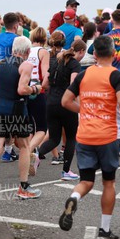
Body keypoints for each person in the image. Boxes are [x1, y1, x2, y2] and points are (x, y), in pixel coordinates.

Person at [59, 35, 120, 239]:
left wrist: (85, 110)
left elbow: (66, 101)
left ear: (95, 54)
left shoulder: (84, 74)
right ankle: (104, 230)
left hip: (85, 135)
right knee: (109, 182)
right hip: (107, 136)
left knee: (86, 181)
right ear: (114, 53)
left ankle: (73, 198)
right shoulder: (118, 76)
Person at [0, 36, 42, 198]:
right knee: (24, 147)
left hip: (0, 108)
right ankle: (23, 187)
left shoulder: (0, 64)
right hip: (17, 111)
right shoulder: (26, 65)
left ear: (13, 49)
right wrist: (35, 89)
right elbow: (22, 89)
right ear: (28, 52)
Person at [38, 40, 86, 180]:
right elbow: (73, 84)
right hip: (66, 104)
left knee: (53, 138)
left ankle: (36, 154)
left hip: (51, 102)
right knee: (71, 138)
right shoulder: (74, 64)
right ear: (81, 51)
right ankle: (66, 171)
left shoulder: (56, 62)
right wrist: (79, 106)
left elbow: (44, 84)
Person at [26, 27, 50, 176]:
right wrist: (44, 86)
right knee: (42, 128)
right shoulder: (43, 52)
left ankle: (27, 155)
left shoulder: (26, 51)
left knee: (29, 127)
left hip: (25, 90)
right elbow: (46, 72)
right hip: (37, 90)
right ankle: (29, 152)